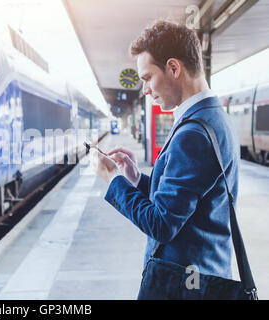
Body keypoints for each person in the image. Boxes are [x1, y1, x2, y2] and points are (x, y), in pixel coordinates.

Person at [91, 21, 241, 299]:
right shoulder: (212, 117)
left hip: (185, 284)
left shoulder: (193, 133)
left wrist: (113, 180)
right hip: (201, 277)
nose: (145, 89)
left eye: (147, 77)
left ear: (174, 68)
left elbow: (162, 224)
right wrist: (135, 178)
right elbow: (183, 204)